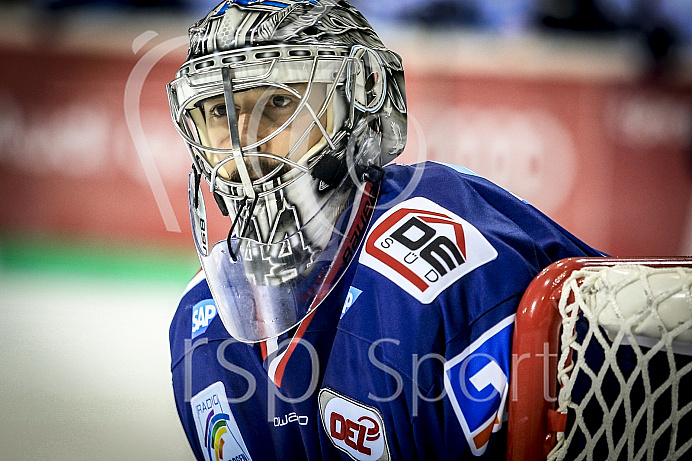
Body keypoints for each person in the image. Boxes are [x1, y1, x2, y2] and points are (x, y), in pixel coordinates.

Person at [166, 1, 604, 460]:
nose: (243, 142)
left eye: (278, 100)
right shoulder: (198, 320)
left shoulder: (453, 265)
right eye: (219, 111)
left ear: (359, 98)